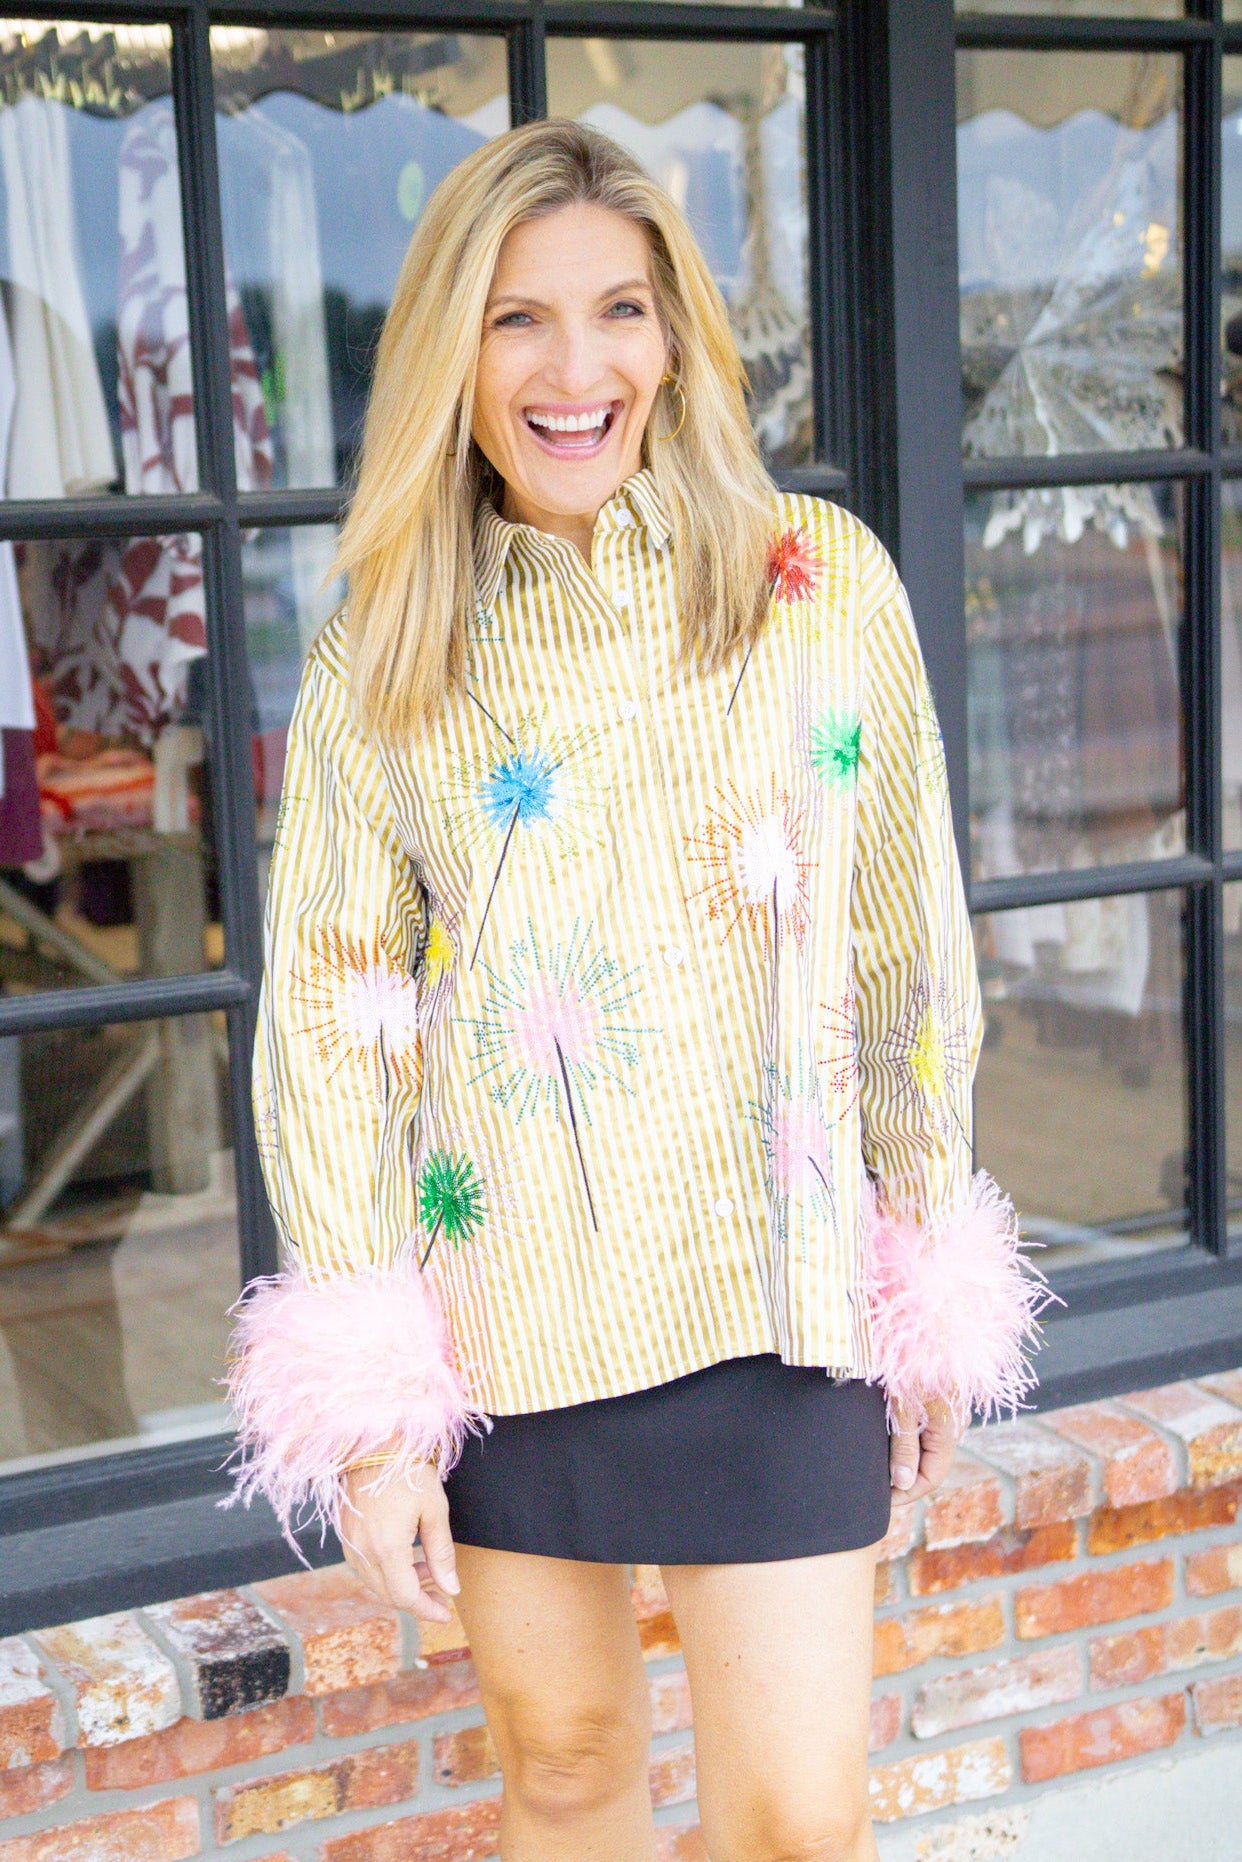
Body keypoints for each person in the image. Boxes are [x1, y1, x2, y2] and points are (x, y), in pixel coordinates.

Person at [227, 119, 1045, 1862]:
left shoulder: (819, 587)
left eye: (616, 310)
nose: (572, 370)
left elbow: (905, 951)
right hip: (509, 1316)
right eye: (516, 319)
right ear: (452, 353)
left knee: (798, 1822)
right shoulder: (387, 644)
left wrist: (923, 1261)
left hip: (778, 1299)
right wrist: (371, 1416)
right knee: (567, 1769)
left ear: (676, 338)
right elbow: (334, 1023)